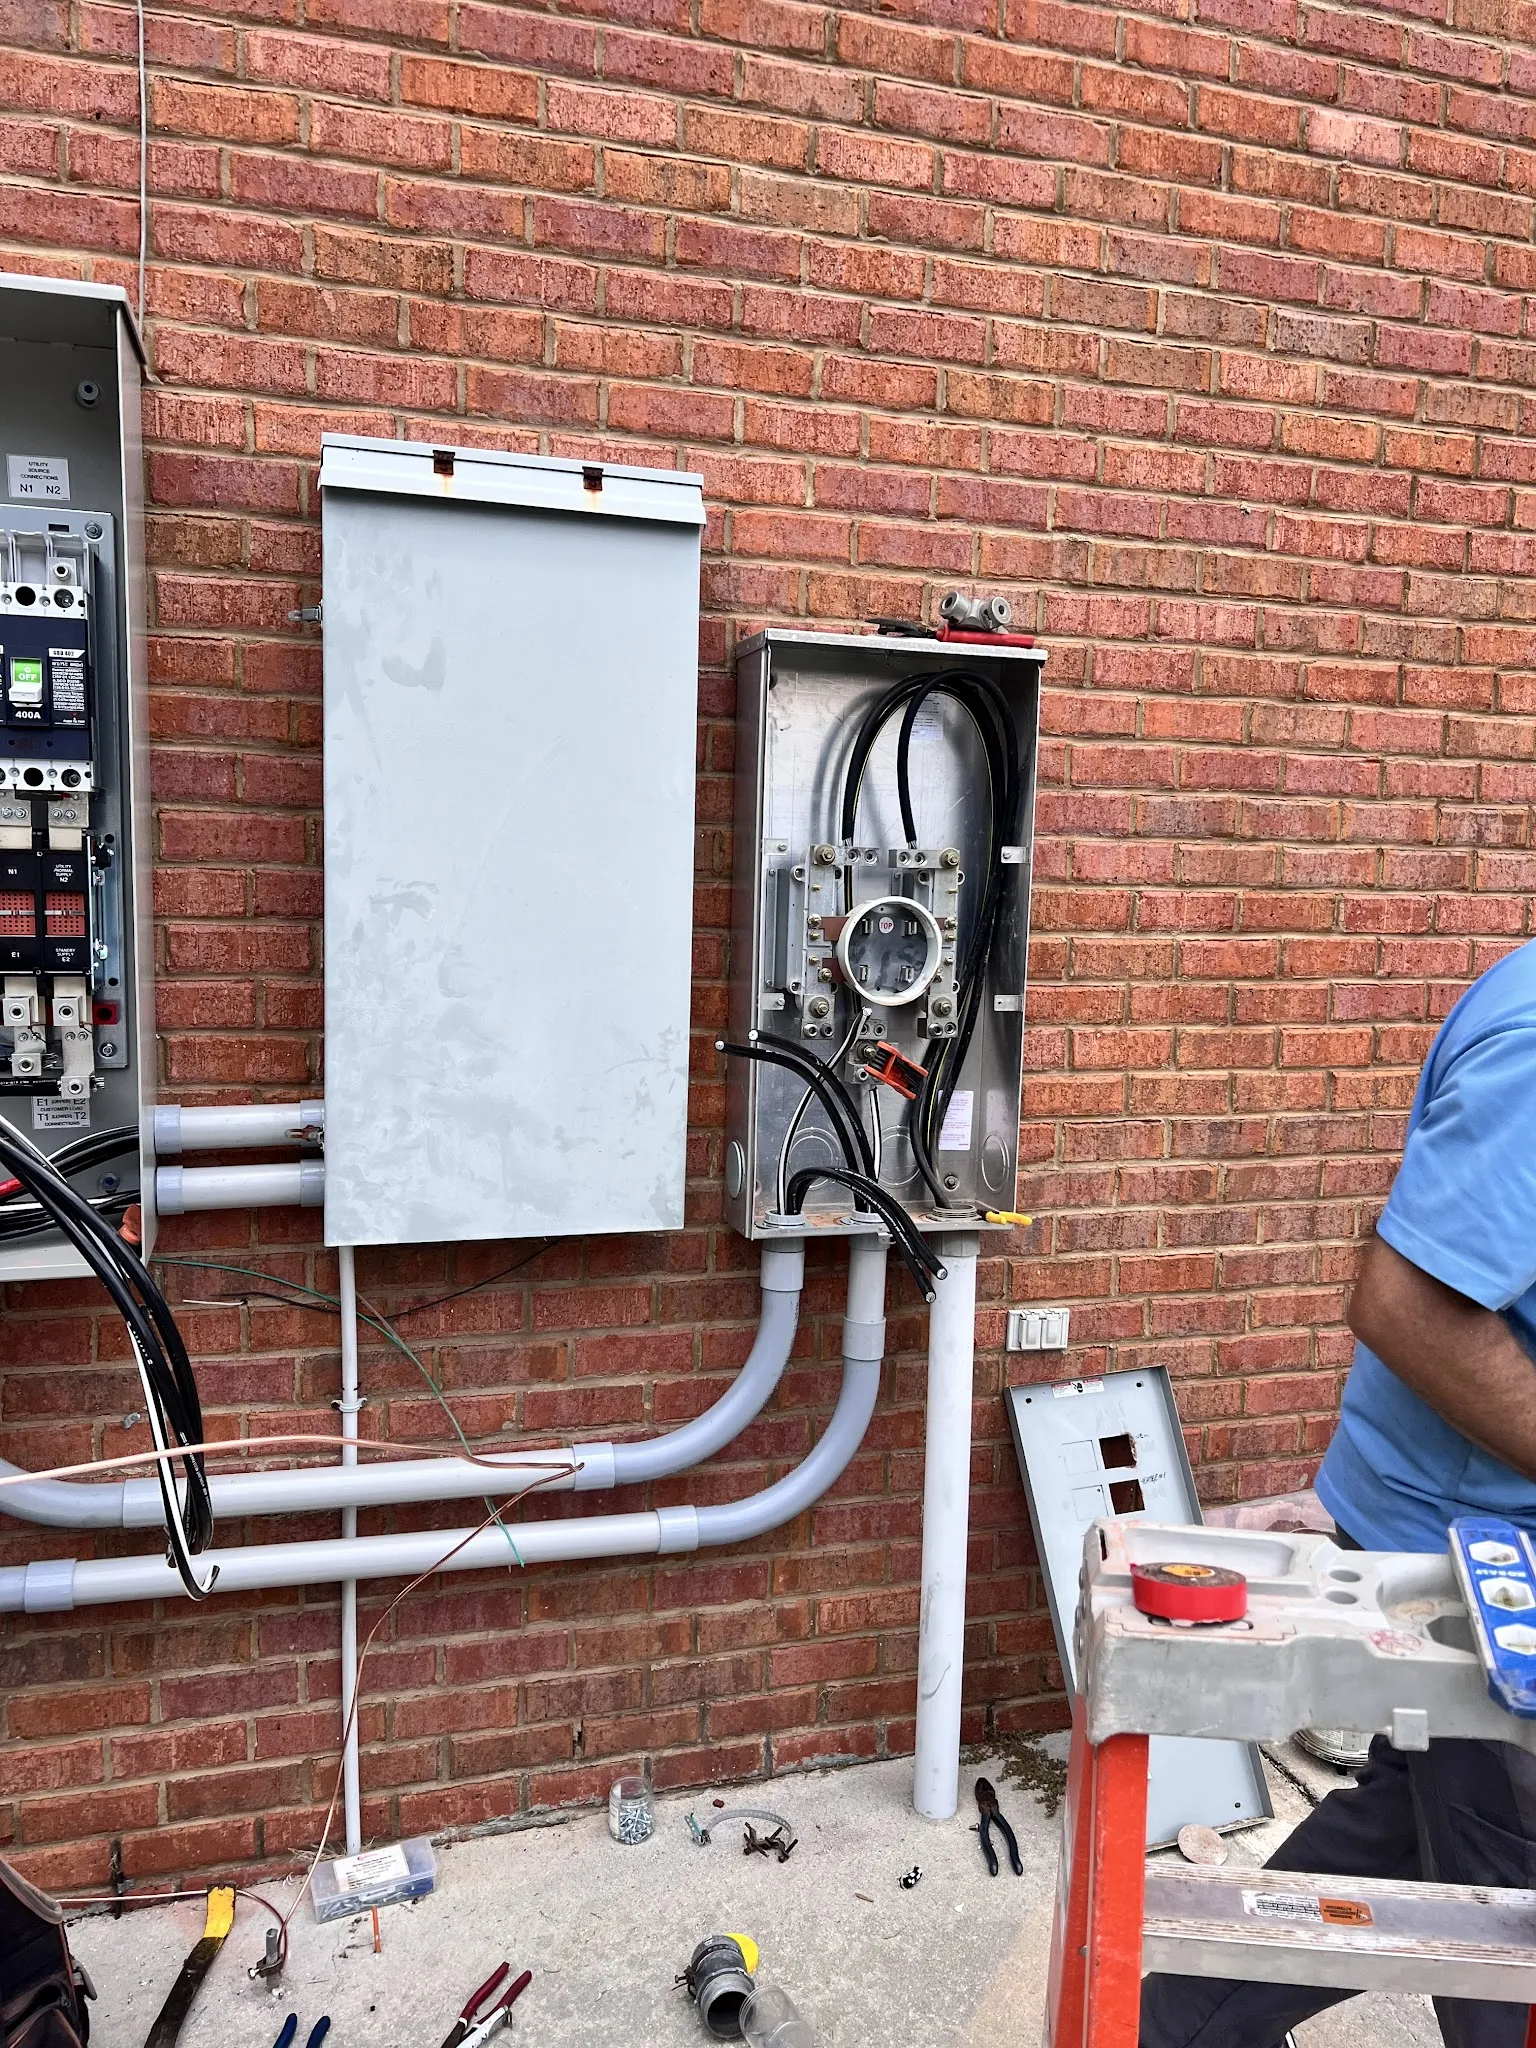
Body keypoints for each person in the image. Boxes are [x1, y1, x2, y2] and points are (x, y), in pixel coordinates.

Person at [1140, 938, 1536, 2048]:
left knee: (1421, 1832)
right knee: (1505, 1909)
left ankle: (1180, 2023)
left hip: (1468, 1524)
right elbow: (1409, 1304)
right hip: (1481, 1553)